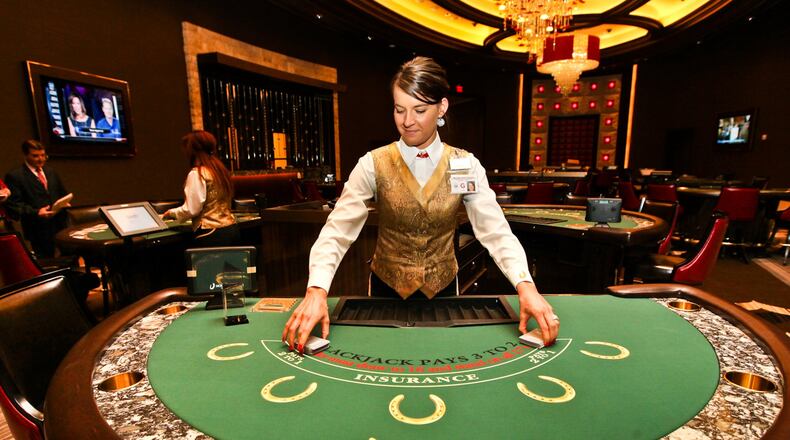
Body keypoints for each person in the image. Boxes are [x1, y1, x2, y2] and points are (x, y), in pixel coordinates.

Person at [283, 56, 559, 353]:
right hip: (385, 292)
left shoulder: (463, 164)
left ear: (442, 108)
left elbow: (494, 231)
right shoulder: (373, 163)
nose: (407, 121)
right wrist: (316, 289)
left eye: (419, 110)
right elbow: (338, 230)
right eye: (399, 109)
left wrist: (525, 285)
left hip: (444, 293)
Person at [163, 130, 239, 246]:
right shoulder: (220, 171)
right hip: (231, 228)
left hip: (210, 233)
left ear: (192, 150)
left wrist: (172, 213)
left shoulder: (197, 173)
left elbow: (192, 209)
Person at [4, 140, 70, 257]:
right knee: (47, 260)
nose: (41, 159)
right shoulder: (15, 176)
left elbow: (61, 192)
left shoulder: (50, 171)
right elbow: (14, 205)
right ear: (25, 155)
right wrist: (36, 212)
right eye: (35, 156)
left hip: (59, 224)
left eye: (43, 155)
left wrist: (64, 203)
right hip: (37, 228)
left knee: (69, 256)